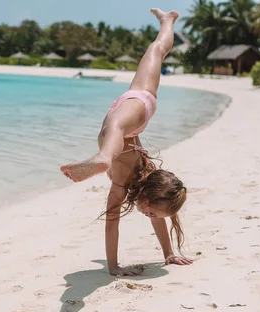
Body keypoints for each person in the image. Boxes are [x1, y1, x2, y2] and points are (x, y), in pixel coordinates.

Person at [60, 8, 193, 276]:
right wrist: (113, 267)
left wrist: (169, 254)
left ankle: (167, 22)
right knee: (115, 131)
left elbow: (151, 218)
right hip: (127, 117)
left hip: (138, 107)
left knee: (157, 50)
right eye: (153, 213)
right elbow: (111, 224)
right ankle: (103, 157)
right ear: (148, 200)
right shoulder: (121, 184)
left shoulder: (152, 179)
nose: (152, 218)